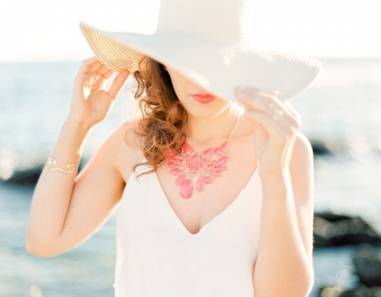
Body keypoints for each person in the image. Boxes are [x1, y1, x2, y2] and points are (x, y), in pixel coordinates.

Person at [26, 54, 315, 297]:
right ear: (164, 62)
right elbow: (44, 240)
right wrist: (78, 123)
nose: (202, 78)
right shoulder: (132, 142)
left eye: (217, 60)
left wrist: (274, 176)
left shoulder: (283, 148)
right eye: (187, 59)